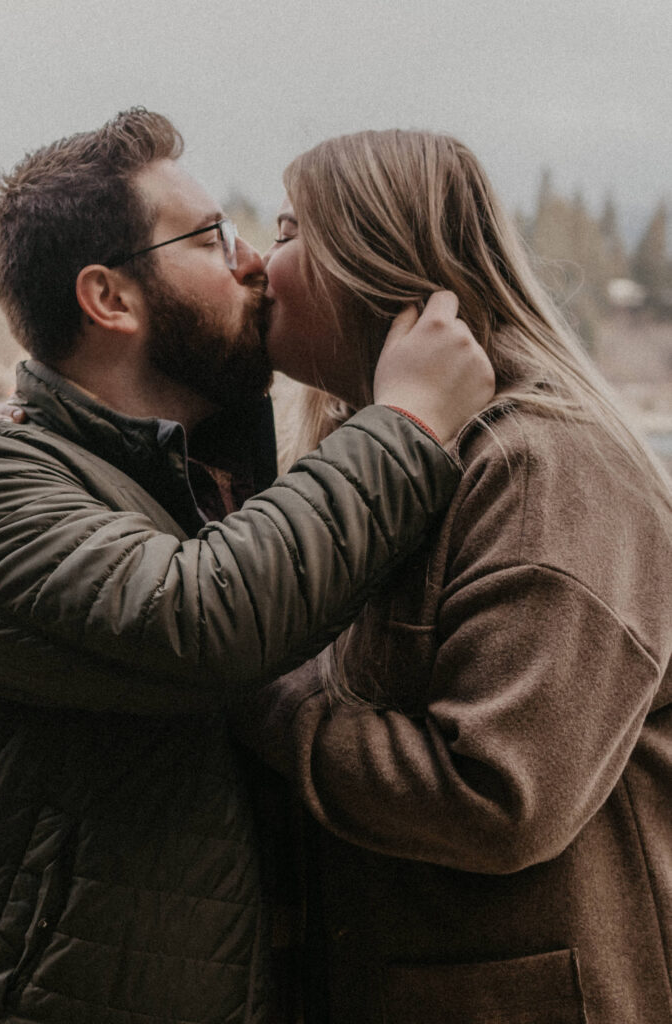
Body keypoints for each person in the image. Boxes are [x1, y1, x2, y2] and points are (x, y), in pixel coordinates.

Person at [0, 111, 494, 1024]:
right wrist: (409, 423)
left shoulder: (212, 485)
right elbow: (201, 621)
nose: (250, 263)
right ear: (109, 299)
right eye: (210, 237)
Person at [237, 129, 672, 1024]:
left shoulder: (543, 468)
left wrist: (247, 688)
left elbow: (498, 796)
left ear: (374, 260)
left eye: (286, 231)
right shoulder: (390, 461)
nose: (254, 262)